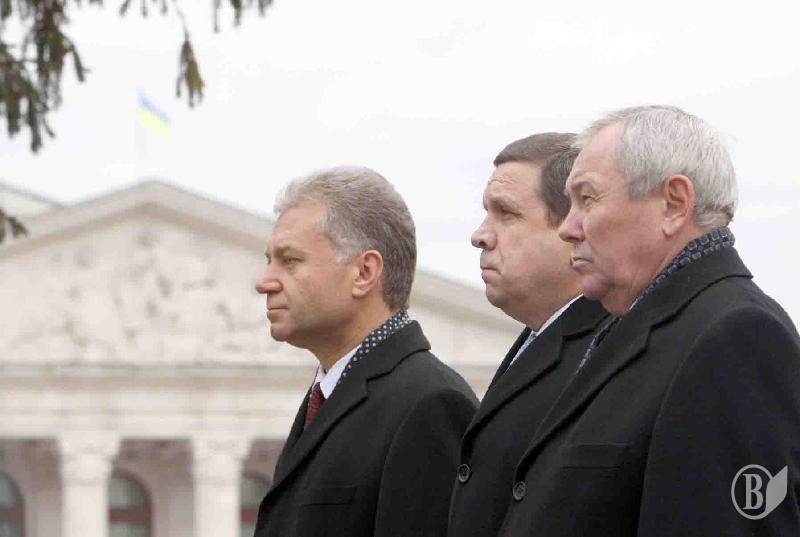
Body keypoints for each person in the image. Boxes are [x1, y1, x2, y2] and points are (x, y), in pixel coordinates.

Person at [498, 105, 800, 536]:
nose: (568, 228)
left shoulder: (738, 338)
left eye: (587, 199)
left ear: (674, 204)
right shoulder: (636, 327)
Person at [252, 166, 478, 537]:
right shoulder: (330, 395)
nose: (264, 283)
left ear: (364, 272)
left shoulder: (429, 404)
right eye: (268, 261)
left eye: (290, 261)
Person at [448, 133, 608, 537]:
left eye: (505, 213)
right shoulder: (538, 337)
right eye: (486, 213)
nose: (480, 235)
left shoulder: (607, 353)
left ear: (572, 227)